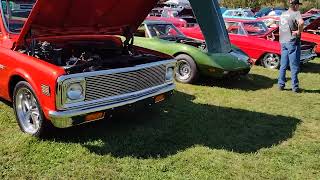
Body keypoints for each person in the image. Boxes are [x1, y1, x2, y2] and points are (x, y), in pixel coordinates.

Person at [278, 0, 304, 93]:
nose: (298, 7)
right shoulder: (296, 13)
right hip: (292, 41)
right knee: (294, 65)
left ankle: (281, 85)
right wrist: (299, 32)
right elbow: (301, 23)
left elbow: (280, 28)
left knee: (283, 65)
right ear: (295, 5)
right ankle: (295, 87)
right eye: (298, 5)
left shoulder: (283, 14)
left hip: (283, 41)